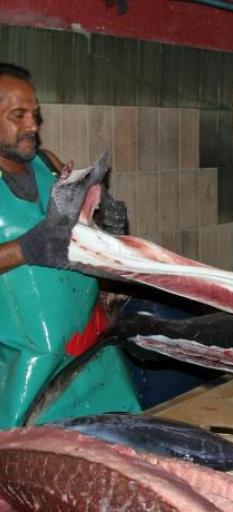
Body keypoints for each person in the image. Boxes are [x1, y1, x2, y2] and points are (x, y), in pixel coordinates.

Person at [0, 62, 141, 429]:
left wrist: (108, 238)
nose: (32, 126)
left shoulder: (50, 166)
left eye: (35, 115)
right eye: (18, 115)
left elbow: (78, 240)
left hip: (91, 353)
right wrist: (25, 249)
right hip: (25, 373)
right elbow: (38, 245)